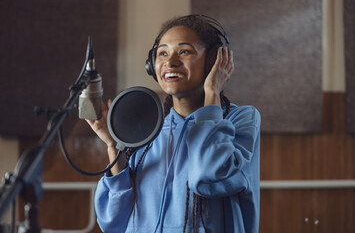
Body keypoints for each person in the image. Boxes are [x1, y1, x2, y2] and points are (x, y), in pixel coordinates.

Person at [86, 14, 261, 233]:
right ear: (152, 65)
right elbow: (113, 220)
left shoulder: (241, 120)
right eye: (162, 53)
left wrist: (212, 93)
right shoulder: (147, 127)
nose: (170, 61)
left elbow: (208, 176)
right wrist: (114, 145)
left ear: (213, 61)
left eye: (184, 51)